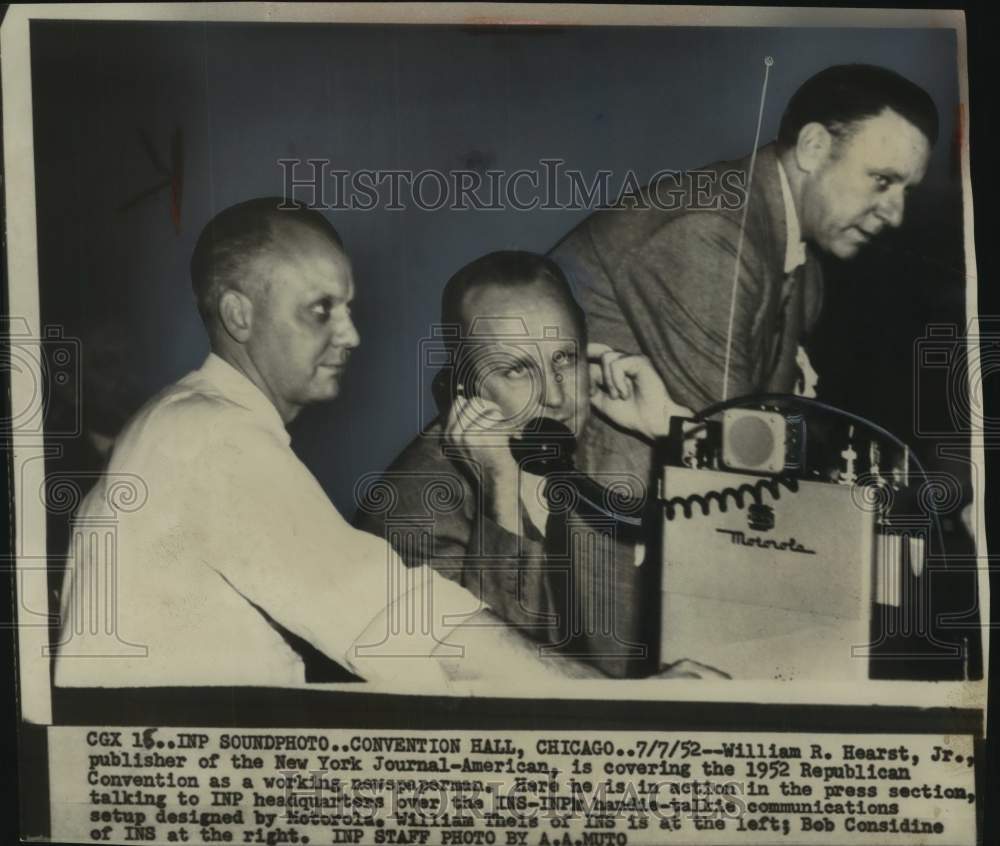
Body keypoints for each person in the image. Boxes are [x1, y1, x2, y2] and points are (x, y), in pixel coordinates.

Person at [52, 202, 632, 688]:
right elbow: (395, 618)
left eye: (347, 307)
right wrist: (625, 702)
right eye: (320, 310)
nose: (351, 335)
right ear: (239, 314)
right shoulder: (210, 436)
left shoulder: (197, 421)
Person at [549, 63, 938, 487]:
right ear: (812, 147)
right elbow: (736, 460)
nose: (896, 215)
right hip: (589, 525)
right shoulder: (713, 235)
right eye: (882, 180)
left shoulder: (800, 258)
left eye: (907, 192)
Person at [355, 251, 701, 678]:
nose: (555, 397)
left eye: (564, 360)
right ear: (465, 388)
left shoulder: (610, 452)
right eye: (517, 370)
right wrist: (501, 492)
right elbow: (500, 695)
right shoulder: (407, 512)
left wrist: (672, 427)